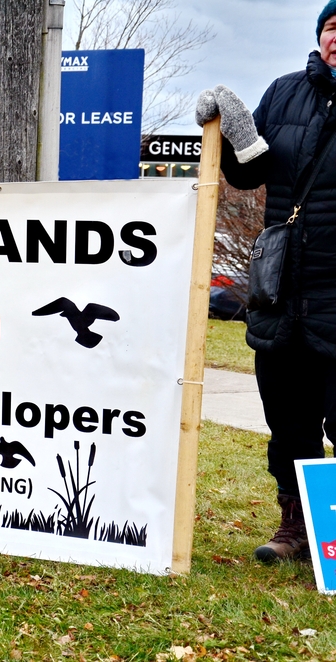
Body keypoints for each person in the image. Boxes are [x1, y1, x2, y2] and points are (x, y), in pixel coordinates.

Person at [196, 1, 336, 563]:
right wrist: (230, 128)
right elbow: (251, 171)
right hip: (281, 294)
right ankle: (299, 531)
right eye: (331, 28)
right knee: (290, 424)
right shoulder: (283, 92)